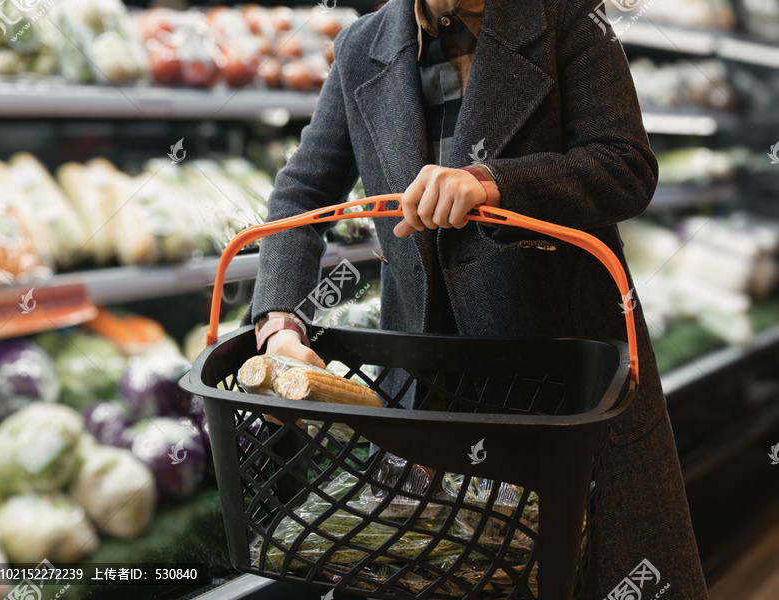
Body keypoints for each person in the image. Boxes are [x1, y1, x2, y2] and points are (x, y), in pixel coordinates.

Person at [249, 0, 709, 596]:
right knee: (447, 569)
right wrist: (280, 325)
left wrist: (492, 182)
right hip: (424, 386)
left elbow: (624, 166)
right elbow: (301, 196)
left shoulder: (566, 20)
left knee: (592, 569)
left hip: (562, 375)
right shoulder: (362, 45)